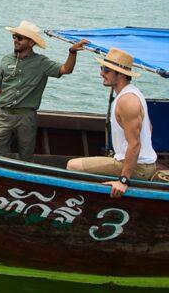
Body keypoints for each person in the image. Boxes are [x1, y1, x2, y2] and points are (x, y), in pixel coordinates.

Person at [0, 21, 87, 161]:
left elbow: (66, 69)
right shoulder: (6, 60)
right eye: (14, 36)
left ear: (31, 42)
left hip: (27, 117)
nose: (15, 40)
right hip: (5, 115)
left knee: (26, 156)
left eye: (20, 38)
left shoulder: (41, 62)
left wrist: (72, 52)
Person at [66, 48, 158, 198]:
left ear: (120, 73)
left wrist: (123, 180)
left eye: (106, 70)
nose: (101, 73)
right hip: (140, 163)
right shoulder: (132, 93)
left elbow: (134, 143)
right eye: (102, 68)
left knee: (73, 166)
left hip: (139, 167)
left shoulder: (127, 100)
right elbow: (150, 128)